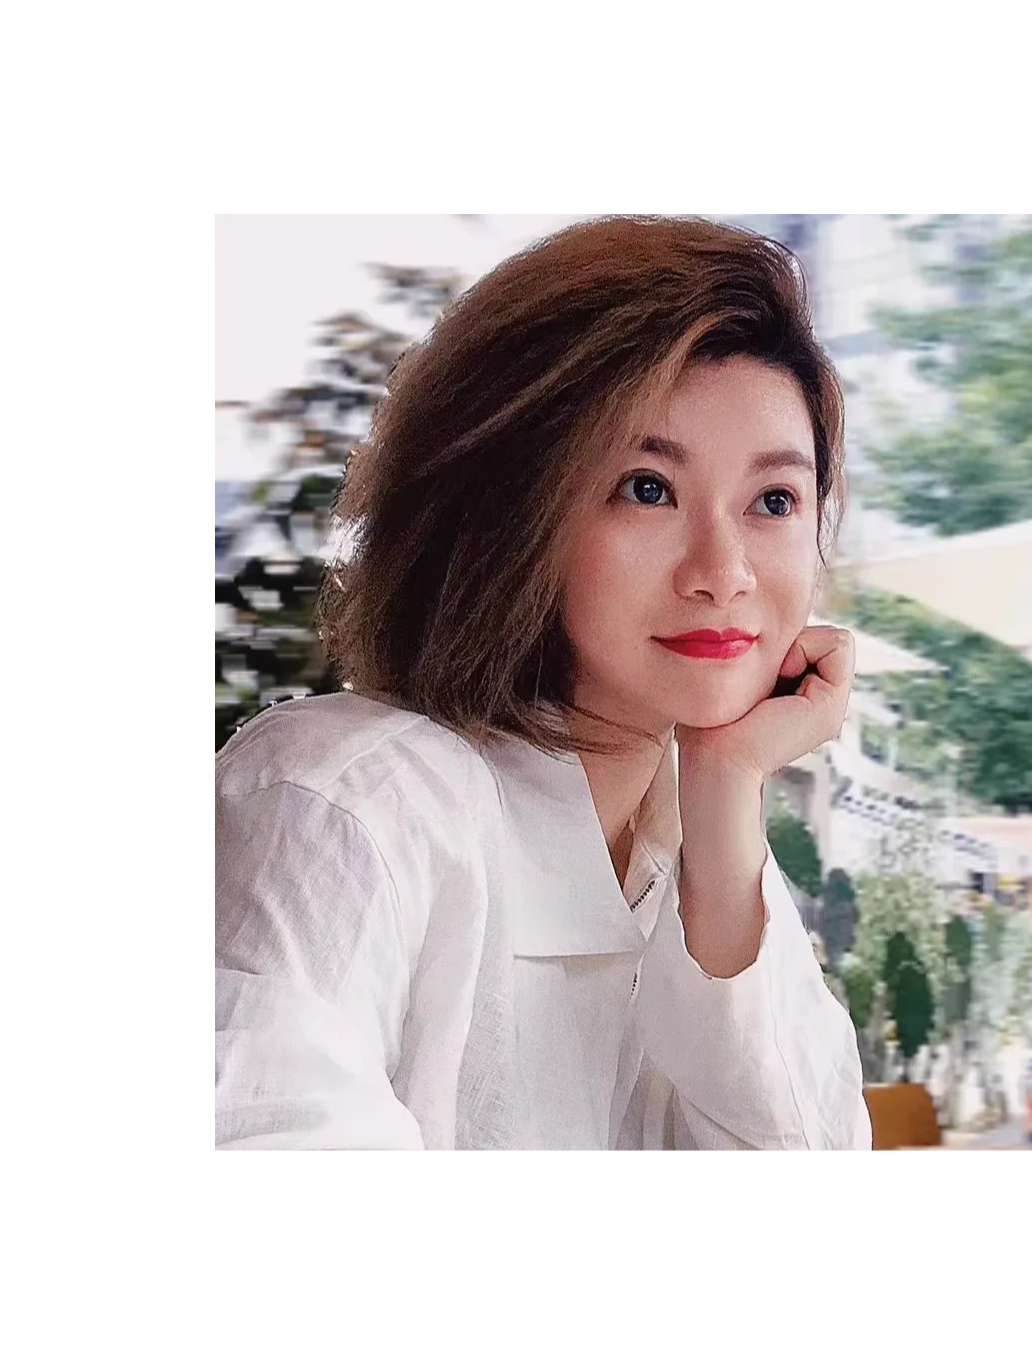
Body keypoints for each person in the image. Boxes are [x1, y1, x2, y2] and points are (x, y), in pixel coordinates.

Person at [215, 216, 872, 1150]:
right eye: (647, 487)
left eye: (774, 500)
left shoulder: (686, 855)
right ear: (511, 512)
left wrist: (727, 787)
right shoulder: (348, 806)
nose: (723, 571)